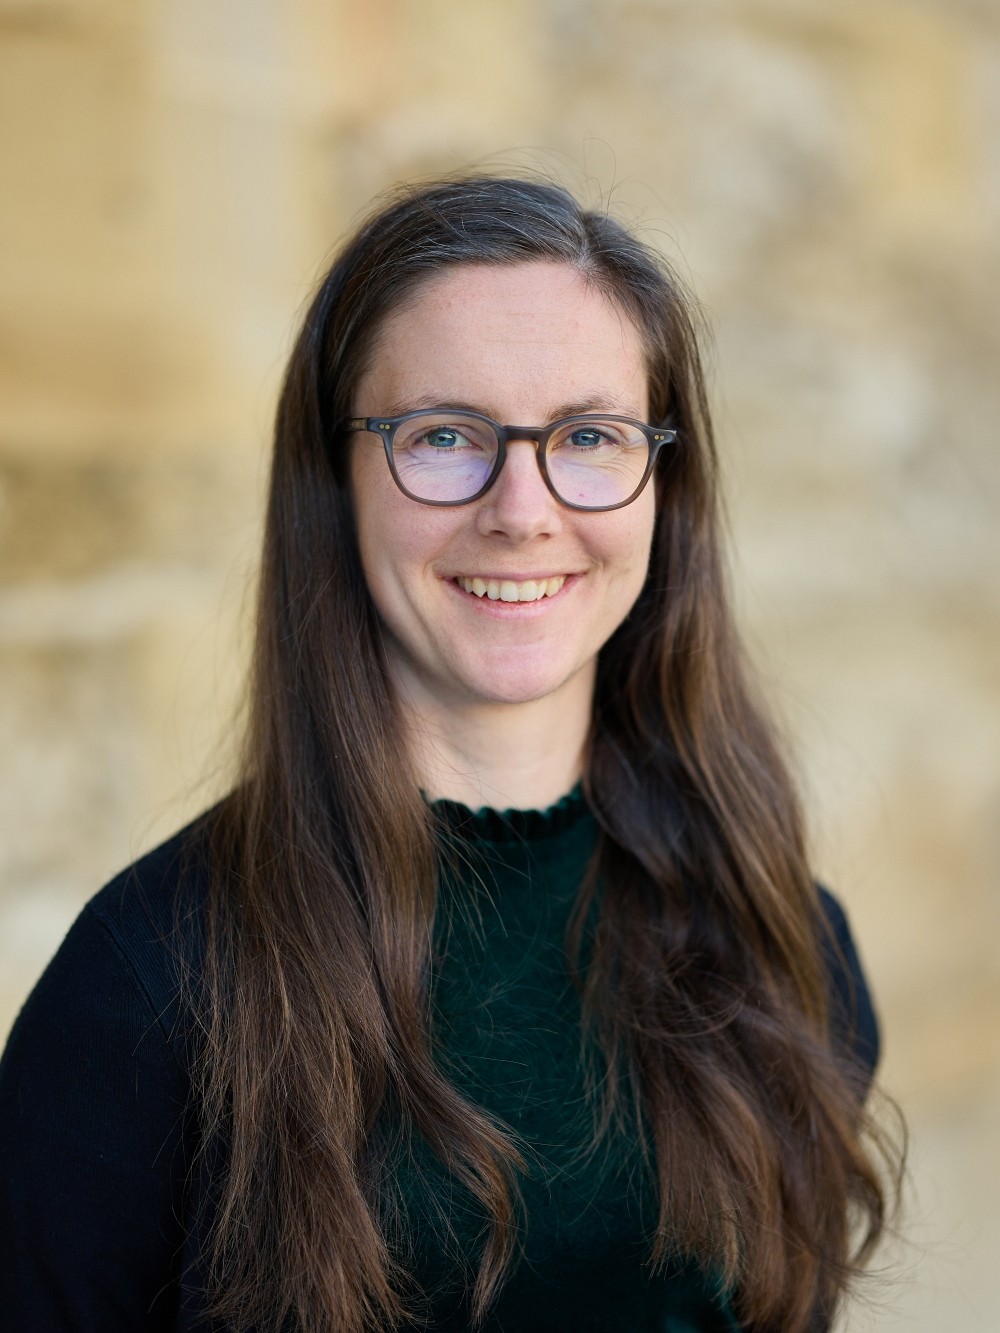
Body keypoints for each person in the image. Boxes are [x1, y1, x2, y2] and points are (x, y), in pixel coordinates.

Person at [0, 176, 900, 1333]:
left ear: (662, 487)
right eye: (442, 436)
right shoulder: (148, 982)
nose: (521, 509)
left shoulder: (780, 946)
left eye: (589, 437)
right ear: (333, 482)